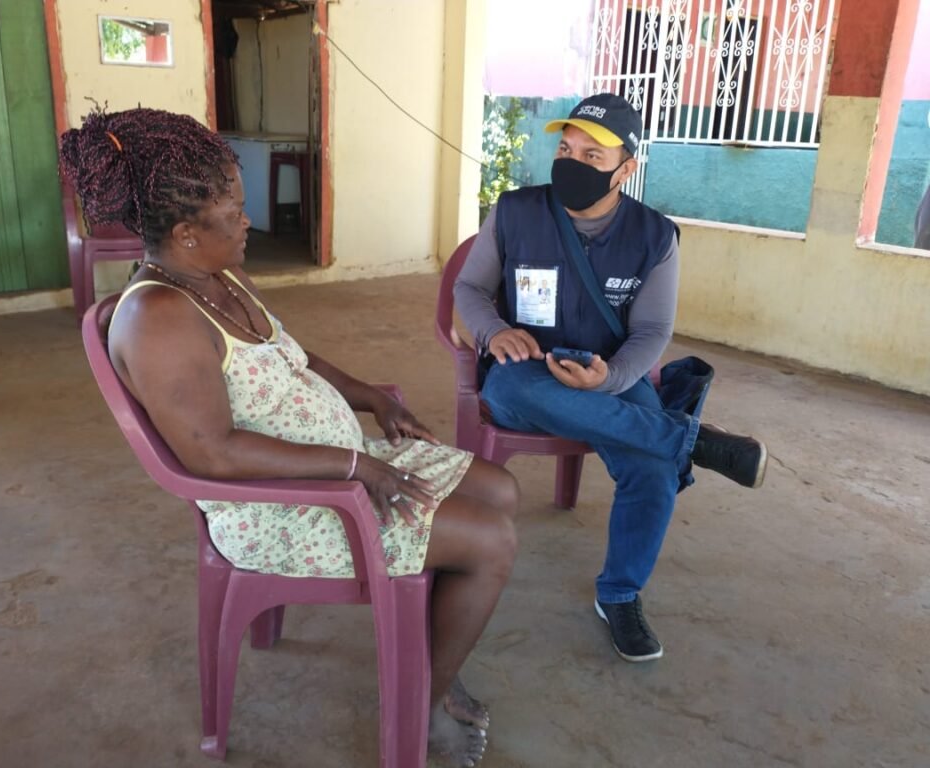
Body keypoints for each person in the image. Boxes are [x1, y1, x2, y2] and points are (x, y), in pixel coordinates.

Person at [61, 107, 518, 768]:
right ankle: (424, 701)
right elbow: (212, 453)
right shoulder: (159, 317)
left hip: (334, 468)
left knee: (500, 489)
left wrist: (370, 398)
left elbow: (296, 358)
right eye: (234, 212)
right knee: (491, 538)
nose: (248, 221)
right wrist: (357, 466)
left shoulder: (217, 276)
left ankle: (428, 649)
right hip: (280, 507)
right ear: (186, 233)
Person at [453, 93, 767, 663]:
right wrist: (494, 332)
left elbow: (652, 330)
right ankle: (691, 441)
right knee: (523, 389)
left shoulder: (655, 237)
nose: (572, 163)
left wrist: (610, 376)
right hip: (526, 374)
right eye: (566, 149)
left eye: (592, 156)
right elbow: (469, 288)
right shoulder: (515, 211)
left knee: (652, 467)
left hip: (613, 374)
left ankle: (620, 594)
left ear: (626, 169)